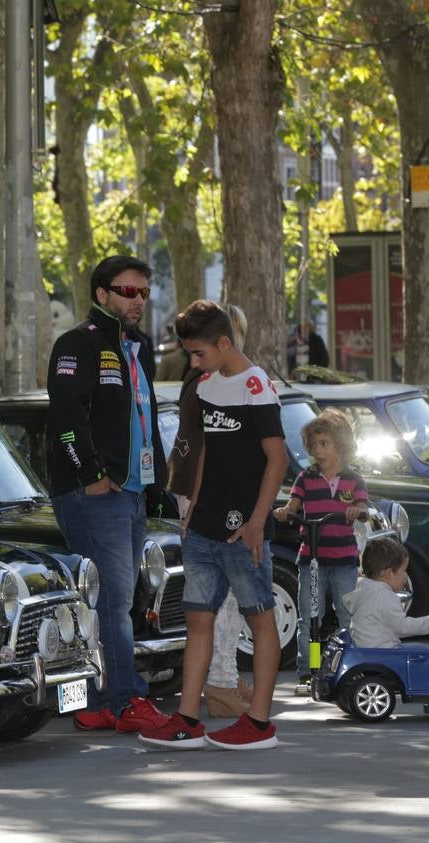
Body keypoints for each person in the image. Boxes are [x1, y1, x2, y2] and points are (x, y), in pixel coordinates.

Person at [140, 300, 288, 751]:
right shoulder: (206, 388)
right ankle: (187, 719)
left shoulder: (257, 386)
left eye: (198, 353)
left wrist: (257, 522)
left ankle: (259, 723)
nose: (192, 361)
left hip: (245, 530)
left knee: (260, 620)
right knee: (198, 621)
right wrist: (192, 509)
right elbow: (204, 454)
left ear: (224, 343)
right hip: (203, 528)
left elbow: (277, 459)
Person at [47, 255, 172, 736]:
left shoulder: (136, 348)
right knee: (115, 600)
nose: (137, 300)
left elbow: (145, 423)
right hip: (95, 493)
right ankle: (126, 701)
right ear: (102, 294)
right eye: (128, 291)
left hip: (132, 491)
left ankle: (99, 700)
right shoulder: (76, 343)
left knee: (113, 601)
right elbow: (65, 418)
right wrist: (91, 475)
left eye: (143, 293)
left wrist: (156, 488)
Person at [167, 302, 253, 718]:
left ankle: (225, 674)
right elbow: (206, 448)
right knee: (224, 595)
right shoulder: (208, 383)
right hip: (210, 496)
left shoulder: (205, 382)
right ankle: (219, 682)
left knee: (225, 596)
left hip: (207, 493)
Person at [273, 409, 368, 694]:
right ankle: (309, 669)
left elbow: (363, 509)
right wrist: (286, 511)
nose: (317, 449)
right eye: (313, 445)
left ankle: (350, 666)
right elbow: (294, 504)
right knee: (309, 616)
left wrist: (357, 511)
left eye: (323, 443)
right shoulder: (306, 478)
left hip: (344, 561)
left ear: (339, 444)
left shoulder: (354, 479)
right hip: (311, 559)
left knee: (346, 615)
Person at [343, 537, 429, 649]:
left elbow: (395, 628)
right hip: (384, 653)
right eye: (404, 570)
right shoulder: (383, 596)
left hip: (367, 652)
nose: (406, 575)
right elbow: (403, 626)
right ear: (389, 573)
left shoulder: (364, 590)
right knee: (425, 650)